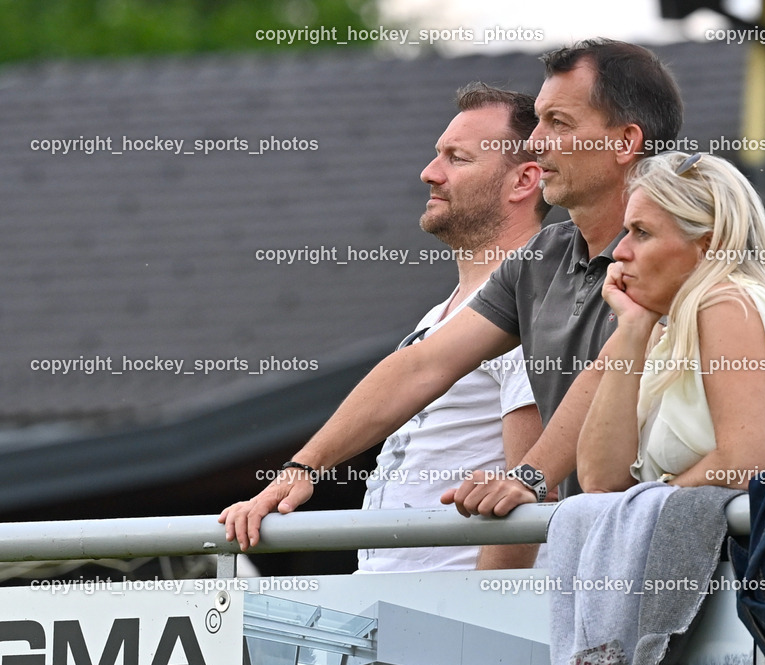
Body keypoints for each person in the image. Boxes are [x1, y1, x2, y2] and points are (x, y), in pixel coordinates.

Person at [219, 39, 685, 550]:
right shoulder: (544, 257)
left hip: (687, 565)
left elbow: (607, 375)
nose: (537, 143)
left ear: (624, 142)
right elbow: (423, 365)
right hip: (600, 563)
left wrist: (528, 478)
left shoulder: (680, 249)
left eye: (559, 123)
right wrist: (304, 467)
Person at [220, 83, 547, 571]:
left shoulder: (536, 299)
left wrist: (487, 612)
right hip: (402, 619)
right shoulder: (443, 315)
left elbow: (530, 497)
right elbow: (413, 374)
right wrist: (302, 469)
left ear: (523, 182)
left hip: (459, 622)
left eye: (457, 158)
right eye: (437, 154)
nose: (429, 173)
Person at [578, 152, 765, 492]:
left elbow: (743, 465)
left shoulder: (728, 304)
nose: (620, 251)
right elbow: (600, 483)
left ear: (709, 246)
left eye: (642, 232)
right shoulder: (667, 329)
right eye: (626, 231)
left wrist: (645, 507)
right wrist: (633, 328)